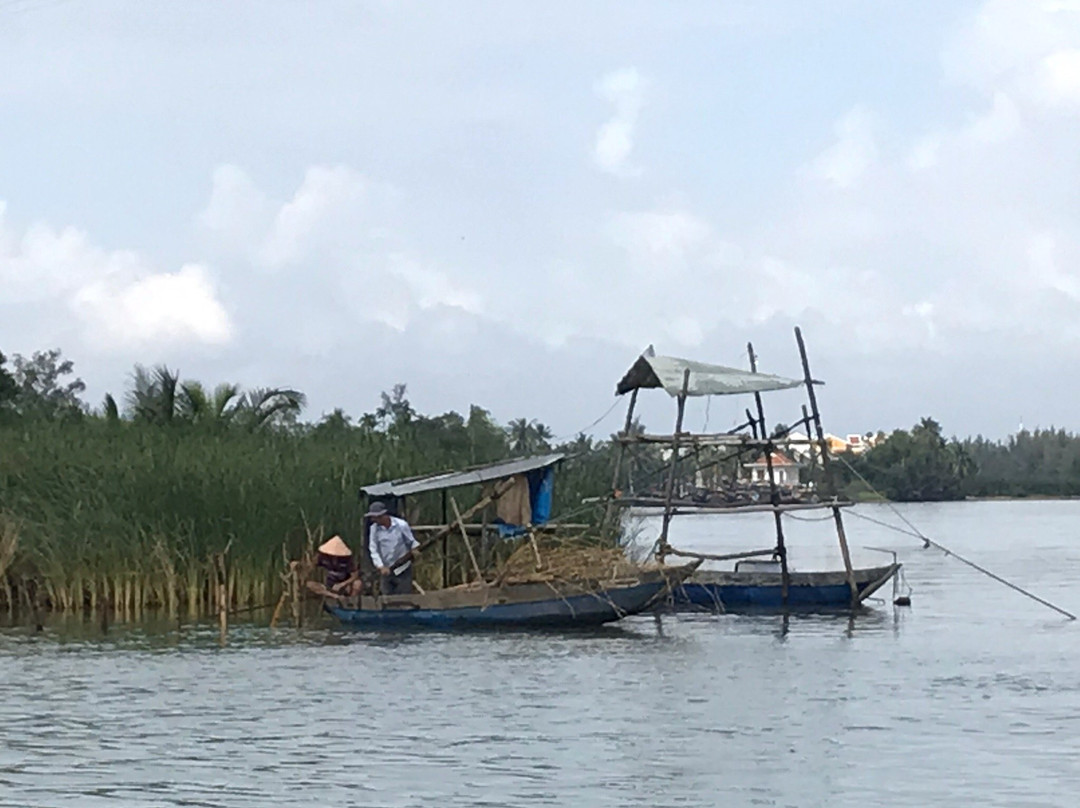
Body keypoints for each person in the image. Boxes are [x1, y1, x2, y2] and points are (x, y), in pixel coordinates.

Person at [367, 501, 420, 596]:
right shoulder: (374, 529)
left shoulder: (401, 525)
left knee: (404, 597)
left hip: (403, 568)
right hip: (387, 571)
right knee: (387, 597)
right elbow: (373, 549)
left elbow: (411, 541)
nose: (373, 520)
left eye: (375, 517)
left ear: (382, 515)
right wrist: (381, 566)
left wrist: (414, 550)